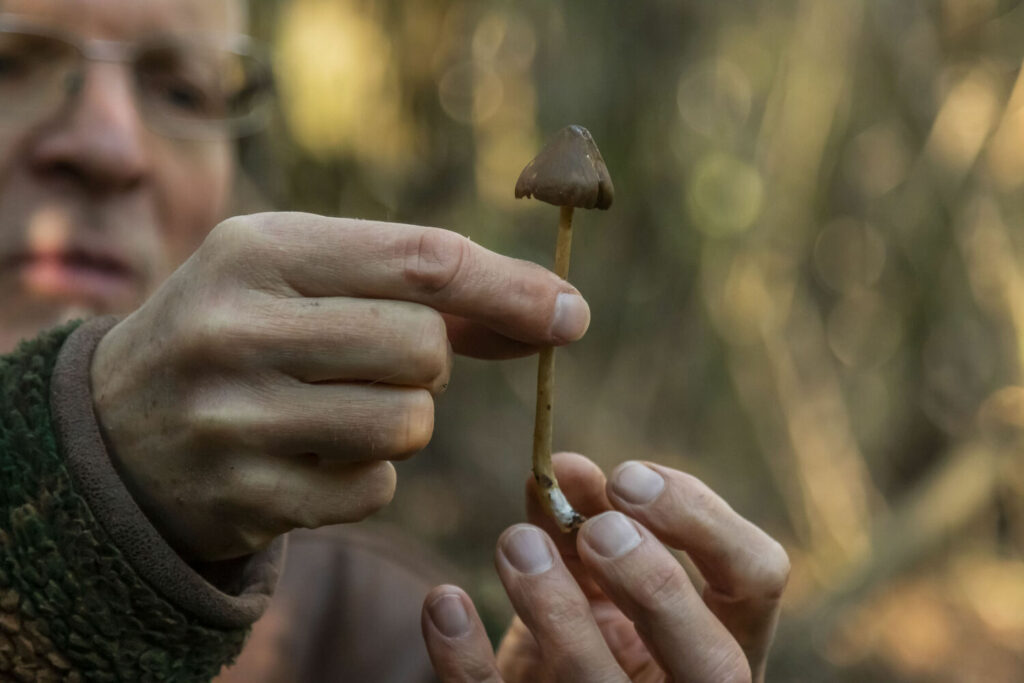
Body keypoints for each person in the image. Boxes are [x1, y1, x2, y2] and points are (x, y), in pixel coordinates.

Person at [0, 0, 789, 680]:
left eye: (182, 87)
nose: (110, 148)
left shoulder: (388, 640)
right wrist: (71, 507)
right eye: (9, 60)